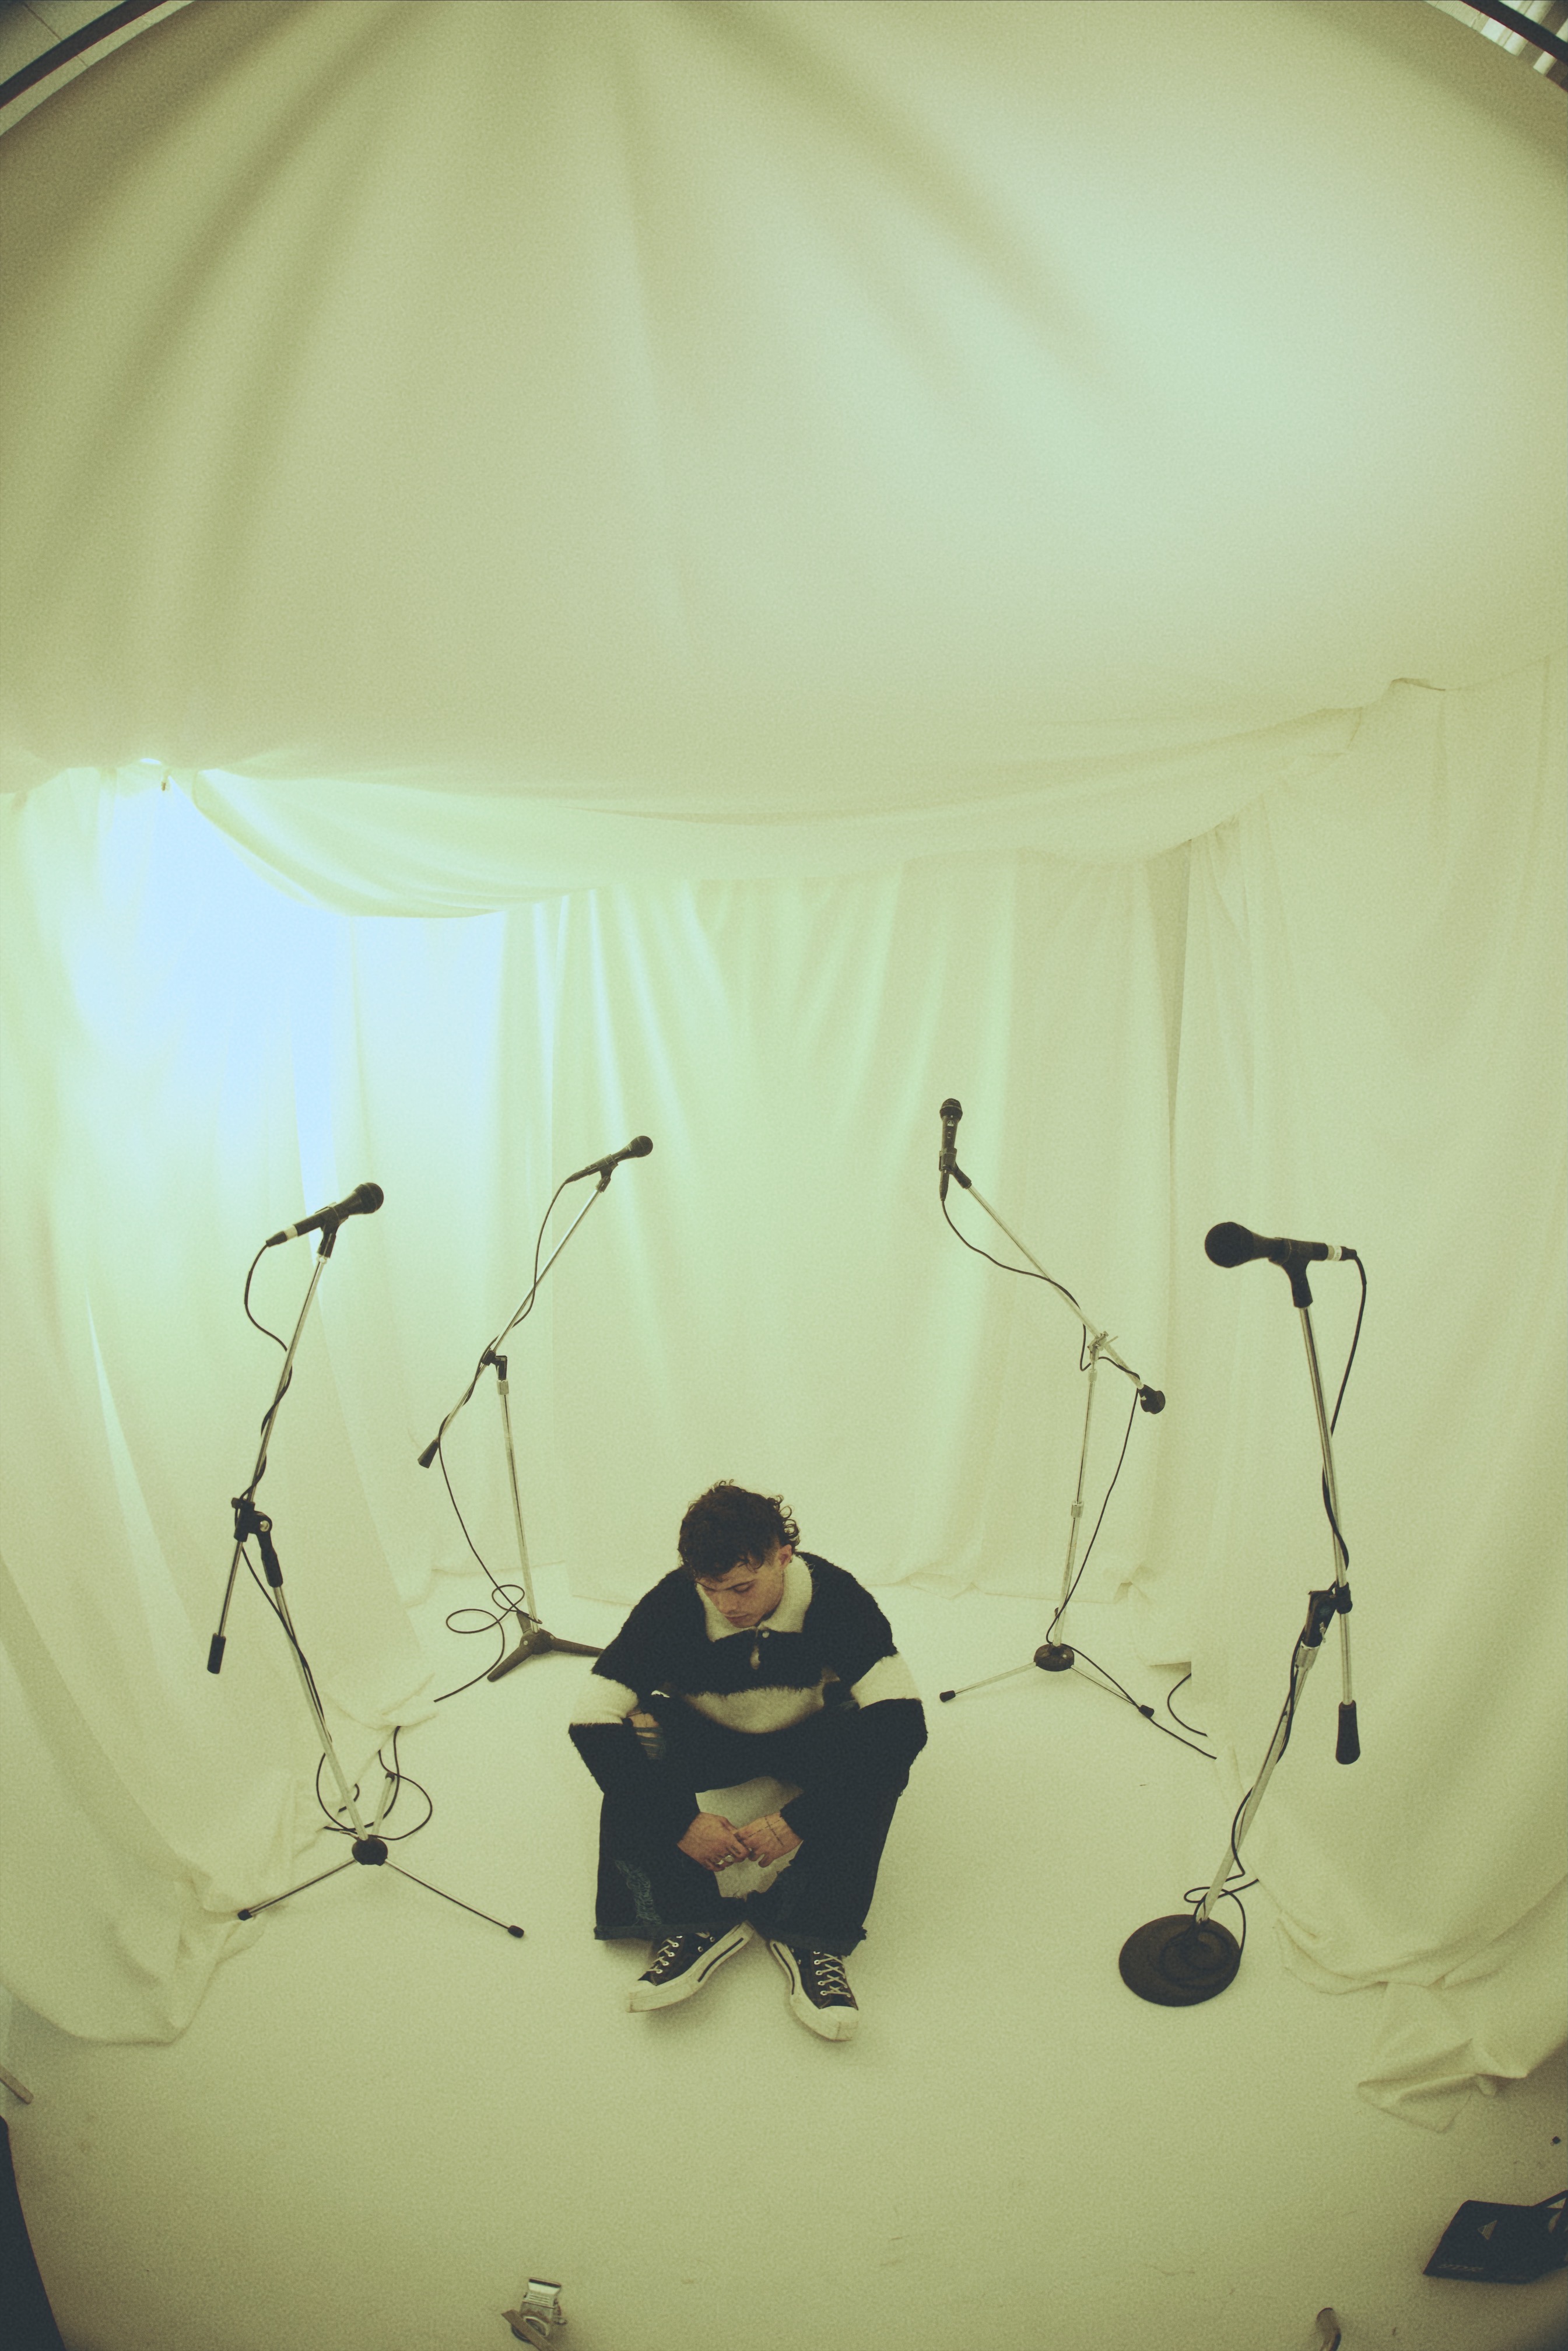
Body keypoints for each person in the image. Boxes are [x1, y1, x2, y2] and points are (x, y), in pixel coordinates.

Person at [568, 1481, 927, 2040]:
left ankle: (808, 1930)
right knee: (632, 1739)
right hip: (707, 1735)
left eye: (741, 1587)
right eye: (711, 1590)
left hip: (808, 1732)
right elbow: (590, 1718)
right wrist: (679, 1823)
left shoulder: (835, 1595)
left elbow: (904, 1722)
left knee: (881, 1752)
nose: (727, 1606)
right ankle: (691, 1921)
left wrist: (797, 1821)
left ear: (782, 1556)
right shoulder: (672, 1602)